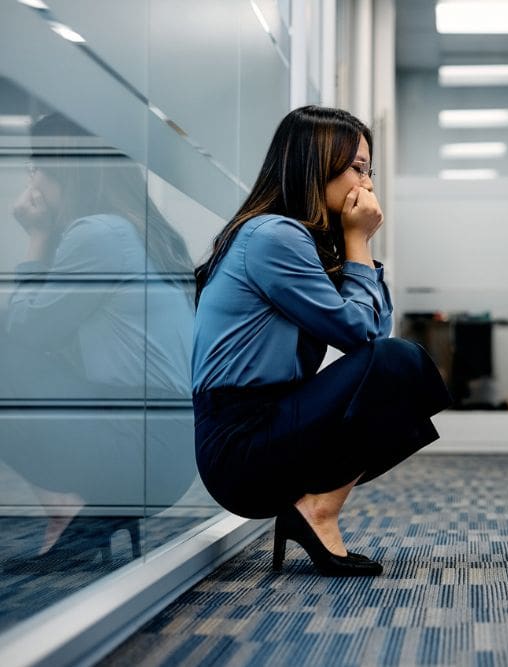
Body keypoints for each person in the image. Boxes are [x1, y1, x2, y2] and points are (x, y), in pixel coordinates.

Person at [191, 106, 451, 577]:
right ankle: (316, 512)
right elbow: (366, 336)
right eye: (357, 169)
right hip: (239, 443)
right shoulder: (274, 236)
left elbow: (374, 330)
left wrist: (355, 248)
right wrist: (360, 243)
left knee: (400, 366)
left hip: (266, 422)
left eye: (369, 172)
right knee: (397, 363)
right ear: (315, 165)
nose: (367, 185)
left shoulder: (301, 240)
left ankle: (312, 508)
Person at [1, 112, 195, 568]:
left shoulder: (97, 234)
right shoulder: (138, 231)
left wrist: (36, 237)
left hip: (140, 446)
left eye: (35, 166)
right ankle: (74, 511)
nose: (32, 180)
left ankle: (63, 507)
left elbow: (28, 329)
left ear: (63, 171)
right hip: (168, 444)